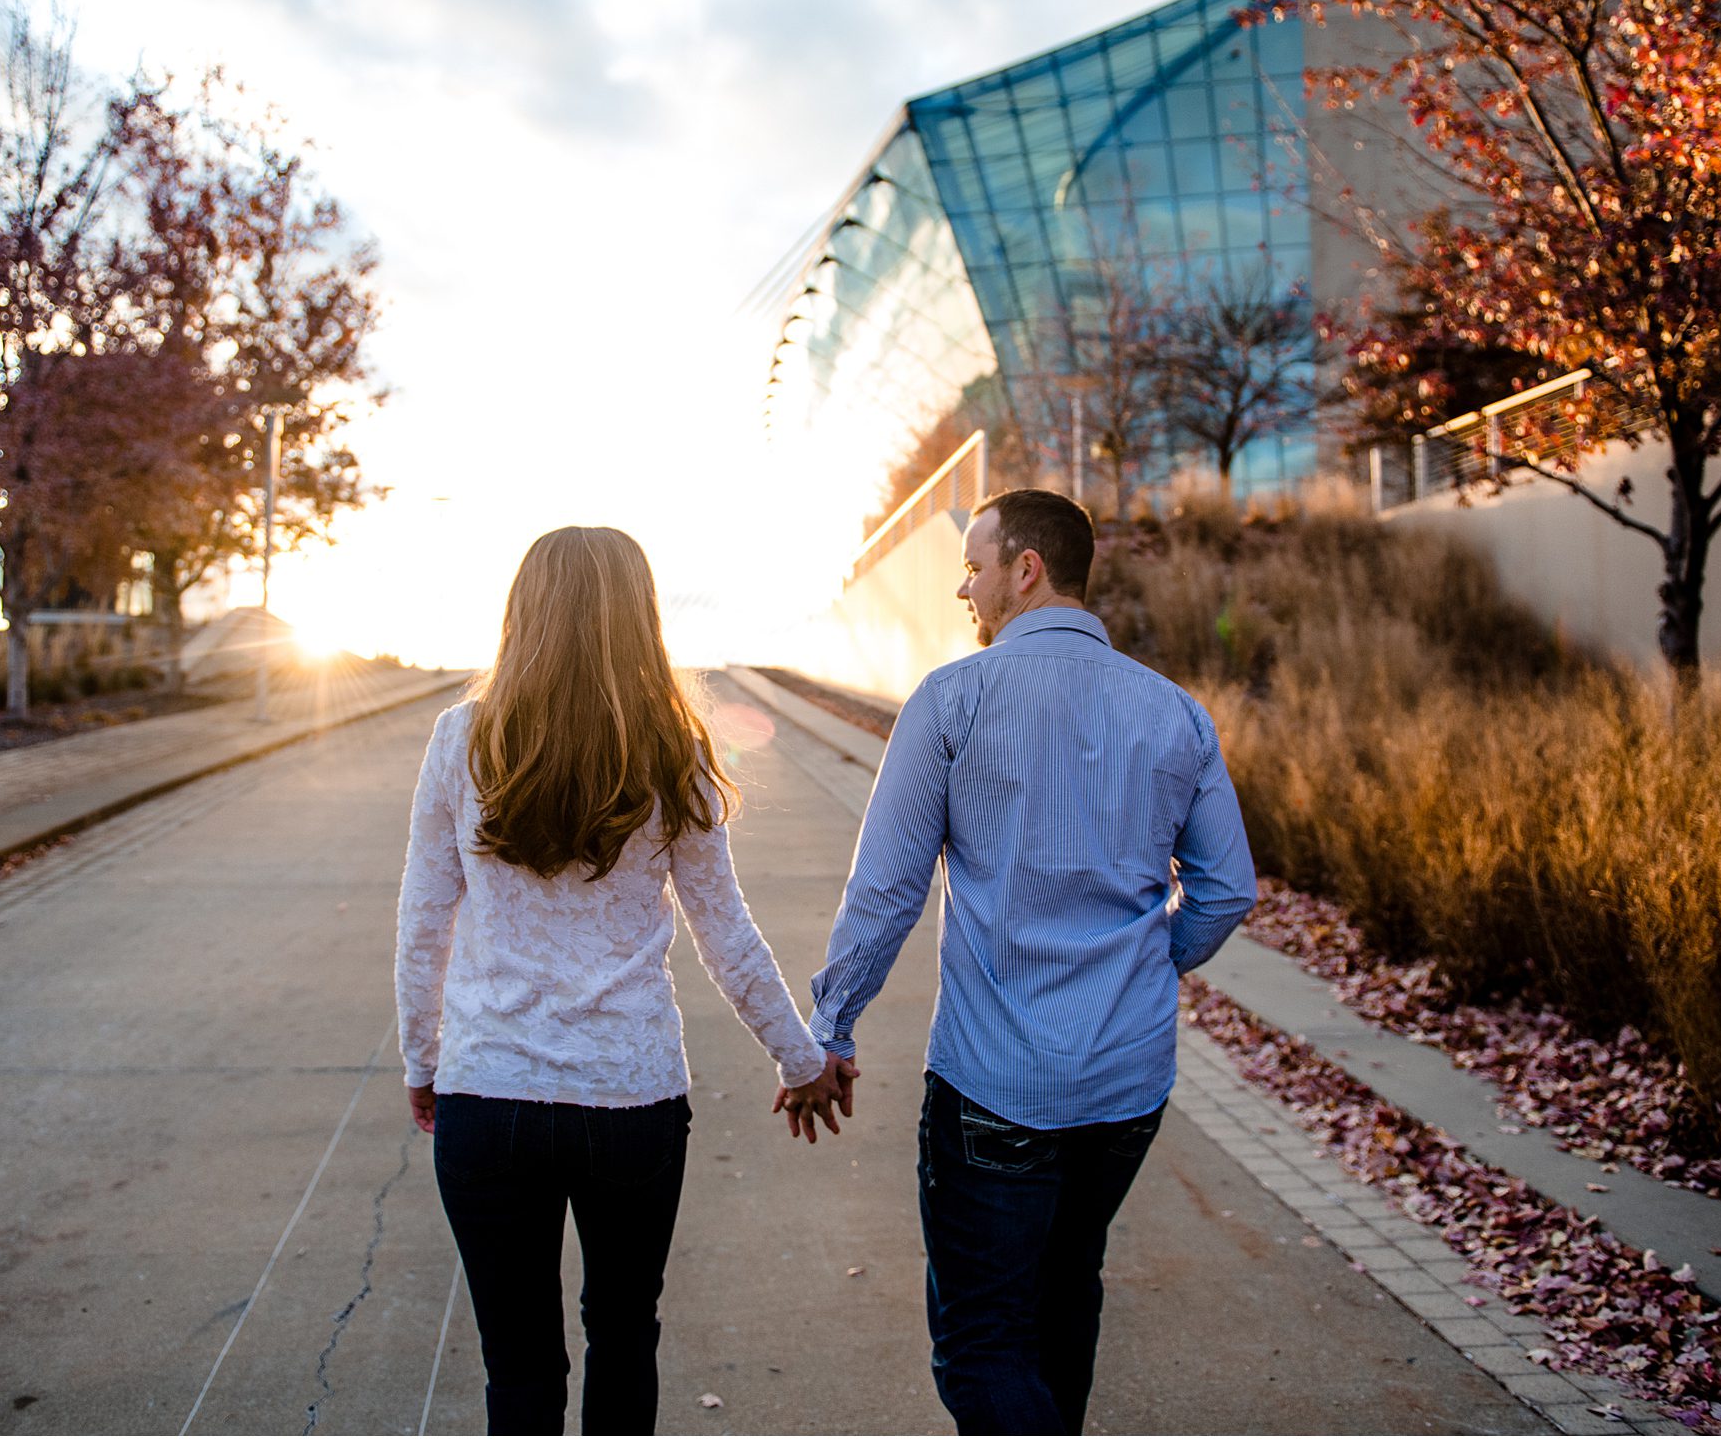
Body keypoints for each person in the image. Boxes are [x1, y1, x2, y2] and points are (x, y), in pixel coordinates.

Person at [805, 488, 1257, 1435]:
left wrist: (830, 1027)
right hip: (1127, 1086)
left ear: (1026, 568)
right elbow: (1225, 890)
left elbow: (887, 892)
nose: (962, 588)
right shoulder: (1175, 712)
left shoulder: (953, 700)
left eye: (973, 566)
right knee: (1066, 1290)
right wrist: (1142, 974)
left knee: (981, 1342)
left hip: (994, 1086)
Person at [394, 525, 851, 1436]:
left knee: (516, 1362)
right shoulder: (669, 750)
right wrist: (804, 1060)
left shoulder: (461, 741)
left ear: (522, 614)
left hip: (490, 1094)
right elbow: (727, 931)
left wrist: (425, 1058)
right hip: (631, 1099)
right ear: (640, 622)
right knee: (624, 1338)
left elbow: (422, 924)